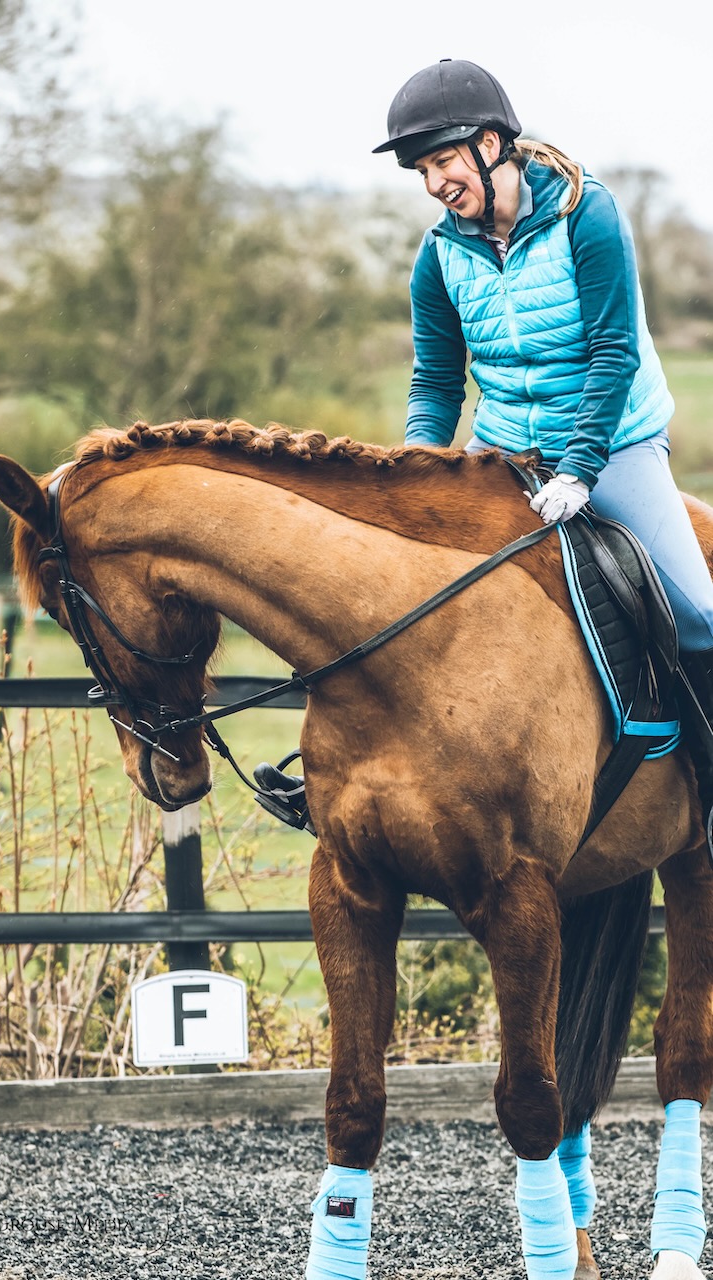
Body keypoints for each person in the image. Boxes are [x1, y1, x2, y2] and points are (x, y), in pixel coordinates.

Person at [255, 58, 713, 849]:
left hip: (615, 443)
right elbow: (435, 379)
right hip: (500, 448)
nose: (434, 183)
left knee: (700, 617)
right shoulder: (439, 255)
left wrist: (579, 466)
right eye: (422, 170)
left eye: (442, 162)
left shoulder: (586, 216)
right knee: (404, 590)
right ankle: (345, 765)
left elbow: (612, 352)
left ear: (492, 144)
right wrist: (411, 478)